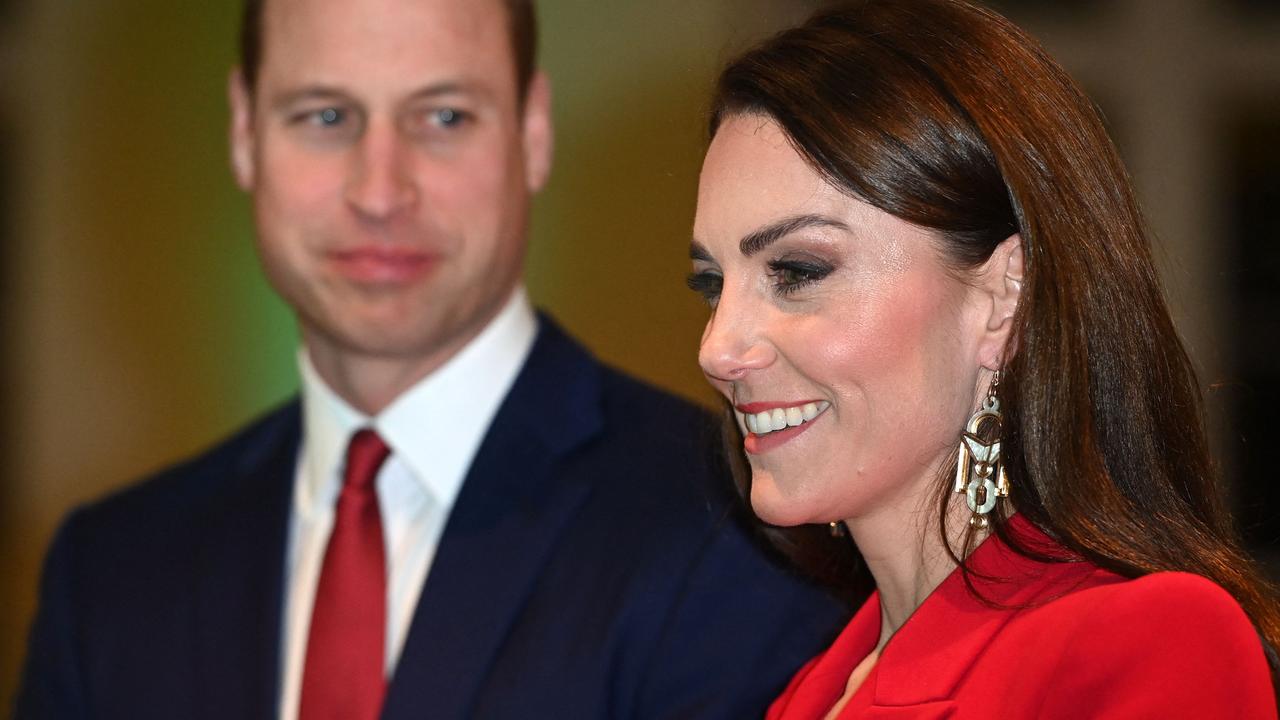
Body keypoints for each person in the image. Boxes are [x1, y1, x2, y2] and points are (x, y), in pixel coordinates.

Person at [14, 0, 848, 717]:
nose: (381, 191)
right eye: (325, 116)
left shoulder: (740, 530)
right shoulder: (109, 575)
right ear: (243, 134)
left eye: (443, 116)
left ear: (532, 133)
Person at [687, 0, 1280, 716]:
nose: (717, 349)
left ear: (1003, 297)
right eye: (713, 284)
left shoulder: (1141, 644)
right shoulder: (808, 695)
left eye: (798, 272)